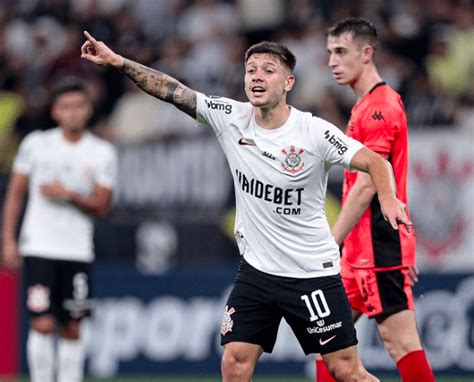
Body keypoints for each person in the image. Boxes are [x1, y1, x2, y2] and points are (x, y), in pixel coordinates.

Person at [80, 31, 413, 382]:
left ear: (288, 82)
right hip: (257, 273)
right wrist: (117, 61)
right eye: (250, 69)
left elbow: (377, 162)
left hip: (311, 273)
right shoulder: (230, 116)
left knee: (346, 370)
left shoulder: (313, 131)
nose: (256, 75)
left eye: (268, 70)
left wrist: (389, 201)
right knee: (235, 361)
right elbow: (171, 90)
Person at [315, 17, 435, 382]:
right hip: (358, 251)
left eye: (341, 52)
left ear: (366, 53)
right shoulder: (365, 105)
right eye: (329, 53)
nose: (333, 61)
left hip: (379, 248)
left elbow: (369, 185)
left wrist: (330, 240)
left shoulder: (381, 107)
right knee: (330, 345)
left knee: (399, 343)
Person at [1, 79, 118, 382]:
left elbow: (102, 207)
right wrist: (8, 240)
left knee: (73, 326)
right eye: (66, 107)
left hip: (77, 249)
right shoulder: (36, 144)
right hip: (39, 246)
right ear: (55, 111)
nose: (73, 113)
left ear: (89, 110)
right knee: (41, 323)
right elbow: (15, 194)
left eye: (79, 106)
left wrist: (69, 194)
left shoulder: (102, 152)